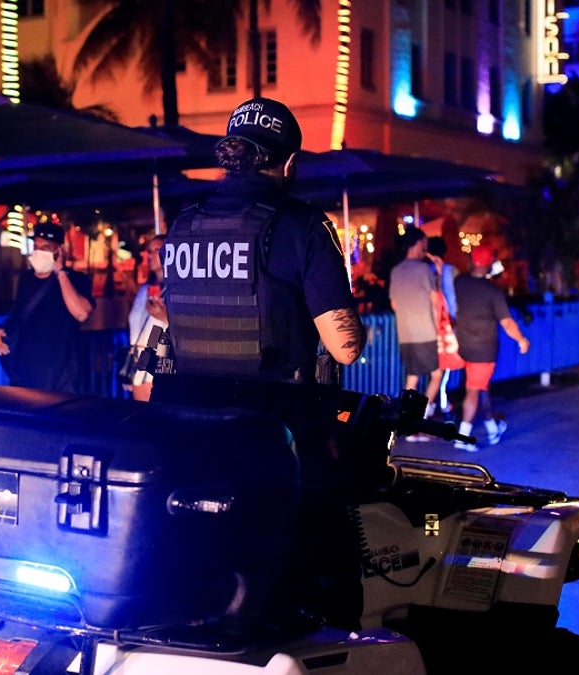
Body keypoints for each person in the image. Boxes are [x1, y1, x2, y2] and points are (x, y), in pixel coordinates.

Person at [150, 97, 368, 630]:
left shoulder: (184, 225)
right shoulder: (304, 227)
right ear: (288, 162)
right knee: (324, 560)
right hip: (276, 426)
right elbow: (344, 347)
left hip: (187, 421)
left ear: (233, 155)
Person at [0, 222, 93, 393]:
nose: (38, 251)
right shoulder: (26, 279)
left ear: (59, 251)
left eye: (45, 247)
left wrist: (61, 273)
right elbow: (18, 318)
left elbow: (82, 314)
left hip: (60, 379)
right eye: (36, 246)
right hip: (24, 376)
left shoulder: (75, 279)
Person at [451, 244, 529, 452]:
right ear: (490, 265)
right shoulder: (493, 291)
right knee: (473, 390)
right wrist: (522, 340)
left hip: (464, 344)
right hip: (483, 348)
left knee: (481, 385)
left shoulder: (460, 282)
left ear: (471, 261)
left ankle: (492, 426)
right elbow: (507, 323)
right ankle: (462, 437)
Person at [388, 226, 443, 434]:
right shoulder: (423, 269)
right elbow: (435, 299)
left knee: (413, 375)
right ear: (419, 244)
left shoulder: (396, 270)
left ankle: (408, 421)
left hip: (406, 333)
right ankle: (420, 418)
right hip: (425, 331)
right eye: (425, 245)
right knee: (437, 373)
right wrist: (438, 272)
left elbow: (394, 304)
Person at [124, 233, 167, 401]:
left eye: (157, 250)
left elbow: (187, 329)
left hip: (159, 363)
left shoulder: (176, 291)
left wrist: (165, 318)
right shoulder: (144, 290)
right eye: (149, 251)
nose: (151, 255)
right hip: (138, 362)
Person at [426, 235, 462, 416]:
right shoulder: (451, 270)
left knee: (437, 367)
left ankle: (436, 403)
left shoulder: (425, 270)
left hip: (430, 324)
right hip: (450, 322)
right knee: (444, 365)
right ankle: (441, 402)